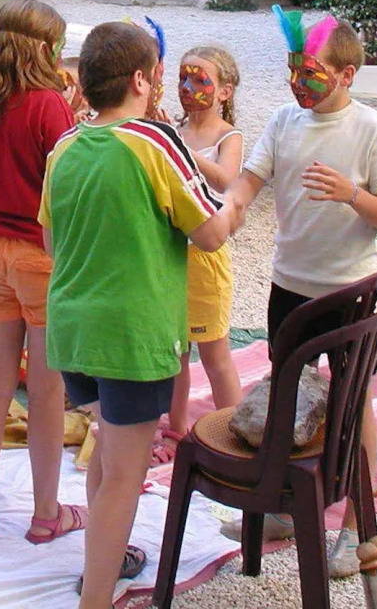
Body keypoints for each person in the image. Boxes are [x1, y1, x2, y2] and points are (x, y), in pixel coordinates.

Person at [42, 22, 244, 606]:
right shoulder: (158, 143)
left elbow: (54, 247)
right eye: (159, 71)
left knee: (110, 445)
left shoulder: (65, 147)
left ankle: (104, 560)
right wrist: (236, 205)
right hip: (130, 334)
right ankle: (97, 595)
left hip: (74, 329)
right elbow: (209, 233)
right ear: (140, 79)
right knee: (125, 473)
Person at [222, 12, 377, 577]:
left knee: (355, 404)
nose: (299, 82)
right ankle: (280, 506)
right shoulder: (283, 121)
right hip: (288, 287)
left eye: (312, 72)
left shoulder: (373, 129)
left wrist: (352, 193)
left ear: (347, 74)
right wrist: (223, 212)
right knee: (286, 399)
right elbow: (248, 183)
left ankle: (355, 526)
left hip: (349, 293)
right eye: (293, 70)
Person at [0, 0, 79, 556]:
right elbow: (64, 183)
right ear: (46, 48)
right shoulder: (48, 104)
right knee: (47, 391)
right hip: (39, 255)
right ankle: (45, 513)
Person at [158, 44, 245, 459]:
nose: (188, 88)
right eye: (182, 79)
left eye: (200, 80)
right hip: (170, 254)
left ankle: (235, 431)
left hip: (206, 258)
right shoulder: (176, 127)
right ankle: (176, 429)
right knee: (175, 352)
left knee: (215, 353)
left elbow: (227, 179)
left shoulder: (229, 137)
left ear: (225, 92)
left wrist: (180, 150)